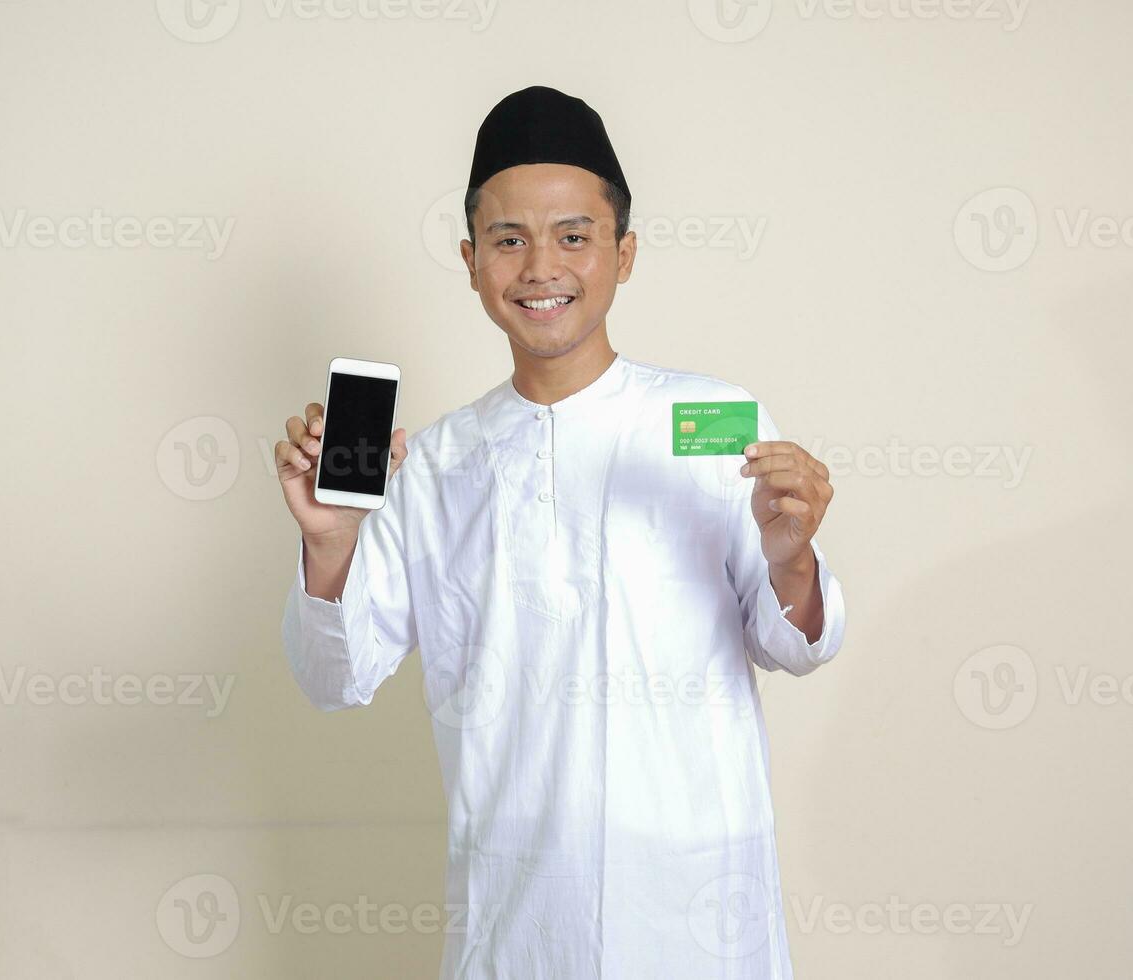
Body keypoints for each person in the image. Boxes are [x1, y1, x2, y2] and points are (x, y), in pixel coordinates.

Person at [275, 85, 846, 980]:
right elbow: (333, 677)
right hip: (517, 922)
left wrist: (792, 560)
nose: (541, 267)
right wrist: (328, 543)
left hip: (697, 918)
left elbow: (799, 644)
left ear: (623, 254)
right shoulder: (431, 466)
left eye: (573, 236)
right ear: (471, 262)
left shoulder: (713, 421)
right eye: (509, 240)